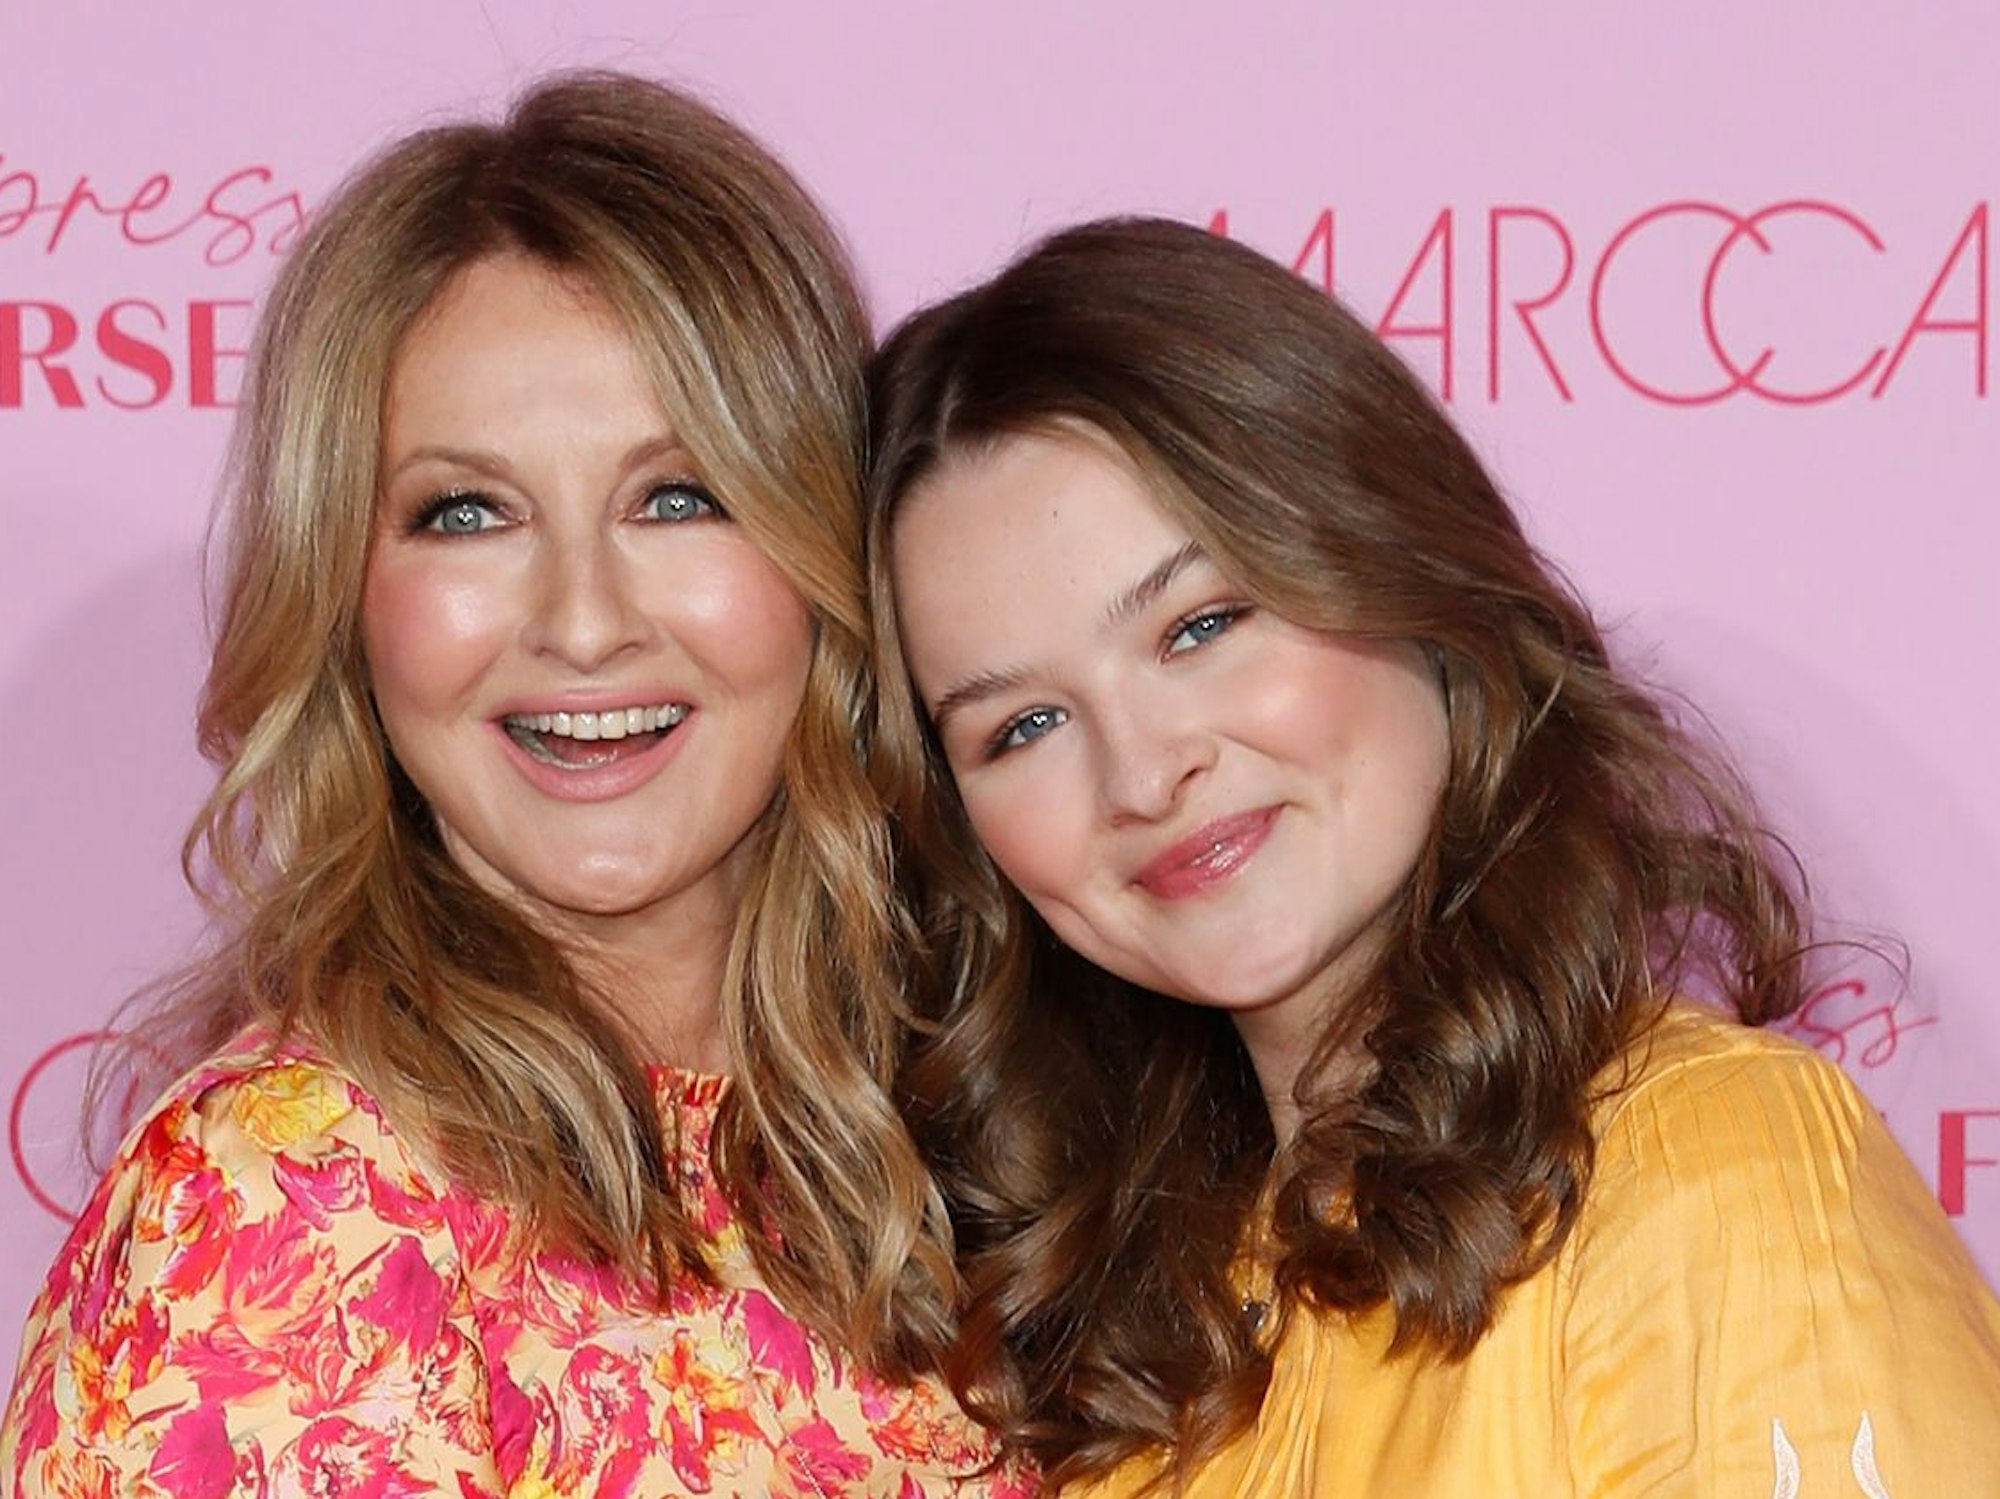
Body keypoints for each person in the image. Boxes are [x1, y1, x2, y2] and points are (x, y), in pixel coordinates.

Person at [0, 72, 1029, 1499]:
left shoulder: (981, 1126)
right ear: (346, 594)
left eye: (678, 495)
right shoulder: (289, 1207)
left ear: (823, 549)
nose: (586, 618)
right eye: (465, 512)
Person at [865, 216, 2000, 1496]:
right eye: (1020, 724)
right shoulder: (1111, 1372)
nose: (1138, 775)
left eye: (1201, 624)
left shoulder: (1712, 1172)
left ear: (1399, 566)